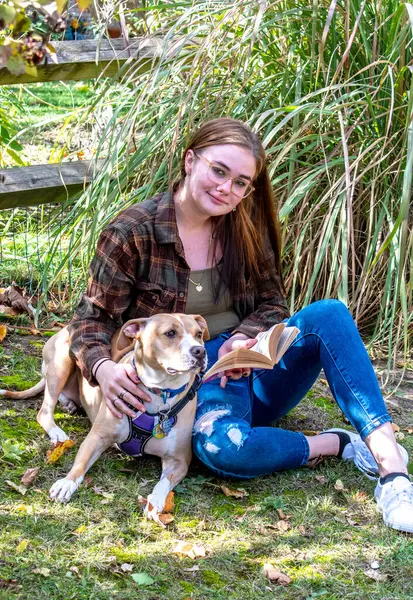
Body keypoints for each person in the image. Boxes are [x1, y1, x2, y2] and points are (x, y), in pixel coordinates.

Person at [68, 117, 413, 533]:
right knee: (224, 450)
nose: (225, 189)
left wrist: (245, 340)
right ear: (190, 160)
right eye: (218, 171)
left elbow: (273, 304)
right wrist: (104, 369)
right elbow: (90, 320)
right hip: (187, 388)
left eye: (240, 183)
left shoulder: (244, 231)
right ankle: (337, 443)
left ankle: (391, 470)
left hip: (249, 369)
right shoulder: (132, 233)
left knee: (329, 315)